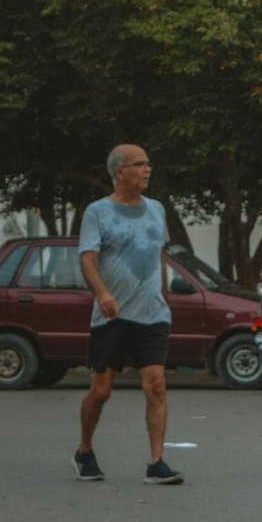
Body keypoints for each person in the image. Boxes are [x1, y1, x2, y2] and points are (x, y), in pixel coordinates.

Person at [74, 144, 183, 484]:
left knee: (156, 386)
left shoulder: (157, 209)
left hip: (153, 315)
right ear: (120, 172)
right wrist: (102, 293)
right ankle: (85, 450)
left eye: (149, 163)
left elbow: (159, 254)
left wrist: (164, 294)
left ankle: (156, 463)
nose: (147, 169)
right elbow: (88, 259)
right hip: (113, 315)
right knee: (102, 390)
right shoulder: (98, 212)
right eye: (139, 164)